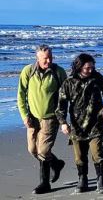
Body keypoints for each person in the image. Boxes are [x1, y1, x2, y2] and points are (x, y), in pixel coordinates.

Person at [56, 53, 103, 194]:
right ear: (79, 67)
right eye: (87, 68)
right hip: (77, 127)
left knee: (97, 152)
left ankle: (101, 181)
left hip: (95, 123)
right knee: (79, 156)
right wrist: (63, 123)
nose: (91, 70)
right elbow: (61, 105)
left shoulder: (96, 77)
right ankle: (82, 179)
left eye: (92, 67)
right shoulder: (69, 82)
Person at [17, 44, 67, 194]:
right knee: (32, 150)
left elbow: (65, 97)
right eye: (45, 58)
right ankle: (56, 164)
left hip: (50, 118)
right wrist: (24, 115)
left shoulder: (58, 72)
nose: (48, 60)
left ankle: (44, 184)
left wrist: (63, 118)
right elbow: (21, 95)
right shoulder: (28, 71)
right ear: (37, 58)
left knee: (43, 151)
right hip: (32, 118)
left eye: (51, 57)